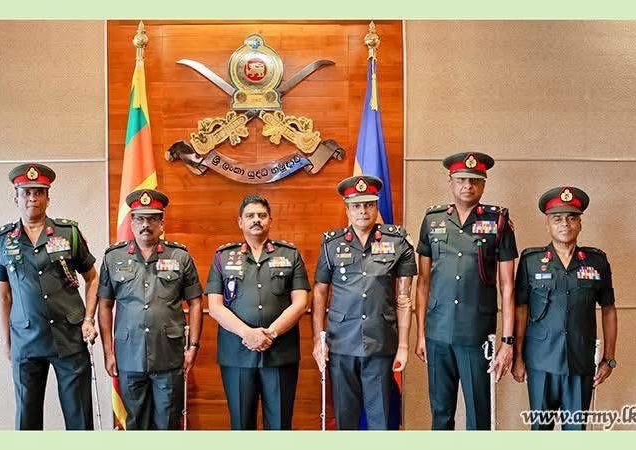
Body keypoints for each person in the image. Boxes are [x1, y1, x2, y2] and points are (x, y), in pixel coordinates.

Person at [0, 163, 99, 430]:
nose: (32, 198)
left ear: (48, 198)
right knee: (27, 420)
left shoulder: (68, 233)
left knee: (79, 418)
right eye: (26, 193)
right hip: (26, 340)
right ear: (16, 198)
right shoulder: (2, 240)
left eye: (39, 192)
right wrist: (7, 341)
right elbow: (4, 296)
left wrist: (89, 319)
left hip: (69, 337)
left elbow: (92, 278)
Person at [414, 152, 518, 430]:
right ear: (450, 181)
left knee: (478, 417)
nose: (467, 186)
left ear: (483, 184)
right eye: (461, 179)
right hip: (437, 333)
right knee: (440, 415)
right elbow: (423, 282)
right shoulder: (432, 220)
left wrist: (508, 342)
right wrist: (420, 334)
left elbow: (508, 287)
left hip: (476, 334)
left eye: (474, 180)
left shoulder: (498, 222)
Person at [312, 175, 416, 430]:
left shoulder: (397, 242)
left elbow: (404, 298)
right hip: (341, 344)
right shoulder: (331, 244)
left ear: (376, 206)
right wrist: (318, 340)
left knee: (380, 422)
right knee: (345, 421)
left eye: (368, 204)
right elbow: (319, 293)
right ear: (347, 209)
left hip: (380, 343)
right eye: (356, 205)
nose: (363, 211)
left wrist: (403, 345)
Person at [512, 186, 617, 430]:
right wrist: (517, 356)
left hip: (580, 362)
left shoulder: (596, 261)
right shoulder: (531, 261)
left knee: (575, 434)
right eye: (557, 218)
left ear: (580, 223)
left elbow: (609, 310)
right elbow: (521, 309)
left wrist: (609, 358)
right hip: (540, 363)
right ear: (547, 224)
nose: (565, 224)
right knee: (541, 432)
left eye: (571, 218)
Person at [97, 189, 203, 430]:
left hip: (168, 356)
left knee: (168, 424)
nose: (146, 225)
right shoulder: (113, 258)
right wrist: (108, 352)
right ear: (131, 222)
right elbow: (104, 304)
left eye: (152, 219)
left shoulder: (180, 256)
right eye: (140, 218)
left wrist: (193, 347)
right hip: (128, 356)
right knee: (136, 425)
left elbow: (196, 302)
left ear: (161, 223)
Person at [206, 194, 310, 430]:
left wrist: (270, 334)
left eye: (262, 215)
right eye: (250, 215)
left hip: (280, 353)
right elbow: (215, 306)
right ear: (240, 222)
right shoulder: (223, 256)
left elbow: (301, 302)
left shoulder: (290, 254)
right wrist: (248, 333)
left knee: (280, 426)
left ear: (270, 220)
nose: (256, 220)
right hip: (237, 354)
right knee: (242, 425)